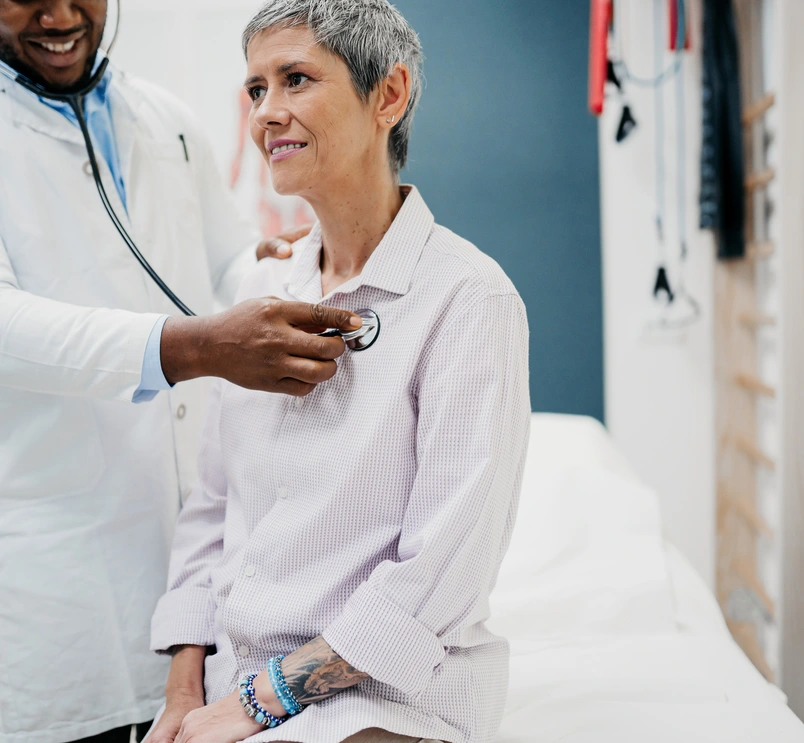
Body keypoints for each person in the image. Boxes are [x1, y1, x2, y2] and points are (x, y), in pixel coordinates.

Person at [148, 1, 531, 742]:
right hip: (234, 681)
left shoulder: (467, 298)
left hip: (384, 693)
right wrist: (181, 690)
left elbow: (442, 569)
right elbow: (210, 509)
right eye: (256, 89)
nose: (266, 113)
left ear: (388, 95)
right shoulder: (257, 298)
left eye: (296, 79)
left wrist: (253, 706)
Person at [0, 1, 360, 742]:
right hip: (53, 564)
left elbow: (222, 257)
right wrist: (192, 347)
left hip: (198, 575)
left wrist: (281, 267)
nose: (60, 14)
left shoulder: (161, 117)